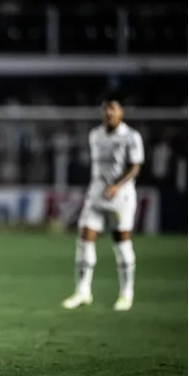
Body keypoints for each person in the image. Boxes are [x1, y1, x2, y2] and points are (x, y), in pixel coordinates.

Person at [62, 98, 145, 312]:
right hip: (97, 195)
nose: (109, 113)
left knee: (121, 244)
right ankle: (83, 292)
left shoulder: (131, 137)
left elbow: (135, 167)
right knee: (85, 239)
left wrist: (117, 185)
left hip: (121, 198)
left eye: (113, 109)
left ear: (121, 112)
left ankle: (126, 294)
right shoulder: (95, 135)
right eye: (106, 109)